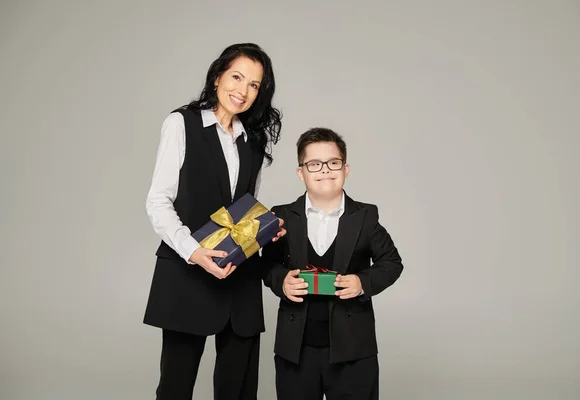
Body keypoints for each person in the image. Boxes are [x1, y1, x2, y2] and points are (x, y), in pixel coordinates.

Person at [143, 43, 285, 400]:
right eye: (237, 77)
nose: (243, 90)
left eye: (254, 85)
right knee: (175, 387)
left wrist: (265, 230)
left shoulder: (254, 139)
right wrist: (194, 252)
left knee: (238, 390)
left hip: (241, 279)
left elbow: (243, 209)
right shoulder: (181, 123)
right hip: (188, 273)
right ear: (218, 75)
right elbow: (158, 201)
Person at [262, 128, 404, 400]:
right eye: (314, 164)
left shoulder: (365, 216)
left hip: (354, 349)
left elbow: (392, 262)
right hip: (295, 349)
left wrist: (362, 282)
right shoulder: (281, 216)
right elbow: (266, 265)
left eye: (333, 163)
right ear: (300, 172)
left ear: (346, 169)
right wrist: (281, 281)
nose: (324, 170)